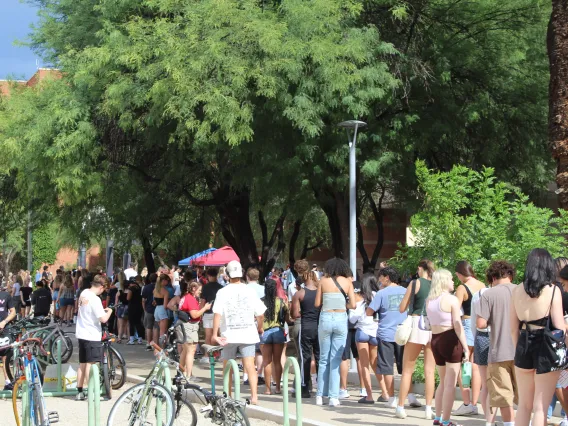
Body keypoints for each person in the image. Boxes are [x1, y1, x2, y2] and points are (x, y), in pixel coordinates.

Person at [511, 249, 566, 426]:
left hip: (523, 344)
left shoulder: (517, 290)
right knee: (540, 406)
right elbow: (559, 327)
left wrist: (518, 350)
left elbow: (513, 328)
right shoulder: (552, 290)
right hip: (545, 347)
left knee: (524, 406)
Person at [212, 260, 266, 405]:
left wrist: (214, 334)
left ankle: (227, 395)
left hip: (229, 333)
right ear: (241, 273)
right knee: (250, 365)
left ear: (228, 274)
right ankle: (254, 397)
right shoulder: (250, 290)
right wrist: (259, 327)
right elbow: (260, 313)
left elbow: (217, 314)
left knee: (227, 365)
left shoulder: (222, 292)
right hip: (247, 332)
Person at [477, 260, 518, 426]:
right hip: (522, 351)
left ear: (493, 277)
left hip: (499, 352)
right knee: (526, 394)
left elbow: (481, 324)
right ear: (510, 274)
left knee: (503, 395)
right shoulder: (521, 291)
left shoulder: (488, 294)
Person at [426, 269, 469, 426]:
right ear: (444, 281)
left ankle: (438, 418)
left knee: (442, 382)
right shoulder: (451, 300)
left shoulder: (429, 301)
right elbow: (458, 326)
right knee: (450, 384)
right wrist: (465, 347)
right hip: (450, 339)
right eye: (451, 279)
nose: (453, 282)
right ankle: (446, 420)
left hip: (435, 339)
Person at [314, 258, 356, 407]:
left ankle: (320, 395)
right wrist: (341, 302)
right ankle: (333, 397)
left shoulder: (323, 281)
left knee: (323, 358)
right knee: (336, 359)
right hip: (340, 318)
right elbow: (353, 304)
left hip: (325, 317)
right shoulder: (347, 282)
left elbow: (317, 303)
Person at [397, 259, 436, 419]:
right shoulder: (435, 284)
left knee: (407, 369)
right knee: (430, 371)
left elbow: (402, 307)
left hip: (416, 323)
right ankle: (428, 408)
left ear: (420, 268)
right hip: (432, 325)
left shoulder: (415, 283)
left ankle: (400, 407)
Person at [366, 266, 407, 410]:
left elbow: (369, 312)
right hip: (404, 334)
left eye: (381, 277)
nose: (379, 280)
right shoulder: (406, 291)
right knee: (406, 367)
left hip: (386, 334)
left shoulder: (381, 293)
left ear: (387, 278)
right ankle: (409, 395)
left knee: (387, 367)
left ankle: (391, 398)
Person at [453, 260, 485, 417]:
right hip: (480, 326)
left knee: (463, 365)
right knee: (475, 365)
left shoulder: (461, 288)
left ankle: (466, 403)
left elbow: (455, 309)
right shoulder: (483, 285)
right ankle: (474, 403)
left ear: (459, 274)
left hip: (466, 325)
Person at [75, 274, 113, 401]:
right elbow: (103, 319)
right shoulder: (95, 299)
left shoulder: (84, 293)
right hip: (92, 334)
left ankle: (79, 391)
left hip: (81, 332)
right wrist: (109, 312)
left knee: (82, 363)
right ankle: (92, 392)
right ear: (101, 287)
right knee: (91, 364)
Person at [291, 259, 320, 398]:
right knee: (320, 357)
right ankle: (322, 387)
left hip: (305, 326)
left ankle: (304, 387)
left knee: (305, 357)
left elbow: (295, 314)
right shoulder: (321, 293)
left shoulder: (300, 294)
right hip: (319, 326)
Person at [170, 281, 211, 377]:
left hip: (183, 324)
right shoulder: (190, 299)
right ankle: (189, 375)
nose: (200, 292)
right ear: (193, 289)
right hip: (189, 326)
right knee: (191, 350)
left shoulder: (185, 297)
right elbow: (194, 314)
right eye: (199, 290)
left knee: (185, 350)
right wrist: (205, 308)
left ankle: (181, 372)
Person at [350, 278, 380, 404]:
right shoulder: (378, 296)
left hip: (362, 332)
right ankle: (385, 392)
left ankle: (369, 395)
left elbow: (352, 319)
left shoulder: (360, 299)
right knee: (376, 364)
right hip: (375, 332)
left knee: (364, 365)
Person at [470, 270, 493, 426]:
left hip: (481, 336)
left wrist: (476, 337)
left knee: (486, 384)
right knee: (499, 383)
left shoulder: (478, 295)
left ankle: (488, 421)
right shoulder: (506, 293)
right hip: (500, 339)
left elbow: (473, 322)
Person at [201, 268, 223, 346]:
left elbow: (203, 302)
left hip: (207, 313)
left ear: (208, 276)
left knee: (208, 336)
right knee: (218, 335)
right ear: (216, 275)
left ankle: (208, 355)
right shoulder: (221, 287)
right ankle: (219, 354)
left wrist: (201, 313)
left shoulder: (205, 287)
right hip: (219, 313)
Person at [0, 283, 16, 390]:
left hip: (3, 329)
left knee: (5, 355)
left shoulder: (5, 295)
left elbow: (13, 312)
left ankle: (8, 382)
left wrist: (4, 322)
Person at [142, 273, 158, 351]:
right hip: (157, 308)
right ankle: (155, 343)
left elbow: (143, 300)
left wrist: (144, 309)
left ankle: (148, 343)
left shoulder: (146, 287)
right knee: (156, 327)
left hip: (149, 309)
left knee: (149, 327)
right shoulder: (159, 287)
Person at [154, 274, 172, 345]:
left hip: (157, 309)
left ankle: (159, 346)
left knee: (159, 330)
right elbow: (165, 306)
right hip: (162, 310)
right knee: (163, 332)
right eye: (167, 281)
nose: (168, 282)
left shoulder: (155, 290)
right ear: (164, 281)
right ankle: (163, 348)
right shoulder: (165, 291)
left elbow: (154, 302)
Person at [126, 277, 144, 345]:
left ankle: (131, 339)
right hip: (139, 307)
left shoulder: (131, 289)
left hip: (132, 307)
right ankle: (140, 339)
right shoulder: (140, 288)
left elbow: (128, 298)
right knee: (138, 323)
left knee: (131, 323)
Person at [115, 272, 130, 343]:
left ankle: (119, 338)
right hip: (127, 308)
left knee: (120, 325)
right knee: (127, 324)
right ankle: (129, 338)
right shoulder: (129, 292)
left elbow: (116, 301)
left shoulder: (119, 292)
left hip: (120, 307)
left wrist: (115, 309)